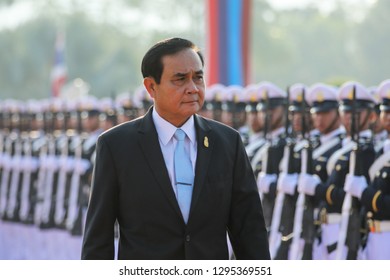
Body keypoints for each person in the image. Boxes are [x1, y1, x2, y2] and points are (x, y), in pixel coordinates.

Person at [81, 37, 270, 260]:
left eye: (198, 78)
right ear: (151, 87)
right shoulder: (117, 145)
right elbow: (98, 239)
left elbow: (249, 231)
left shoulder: (228, 142)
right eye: (180, 79)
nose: (192, 88)